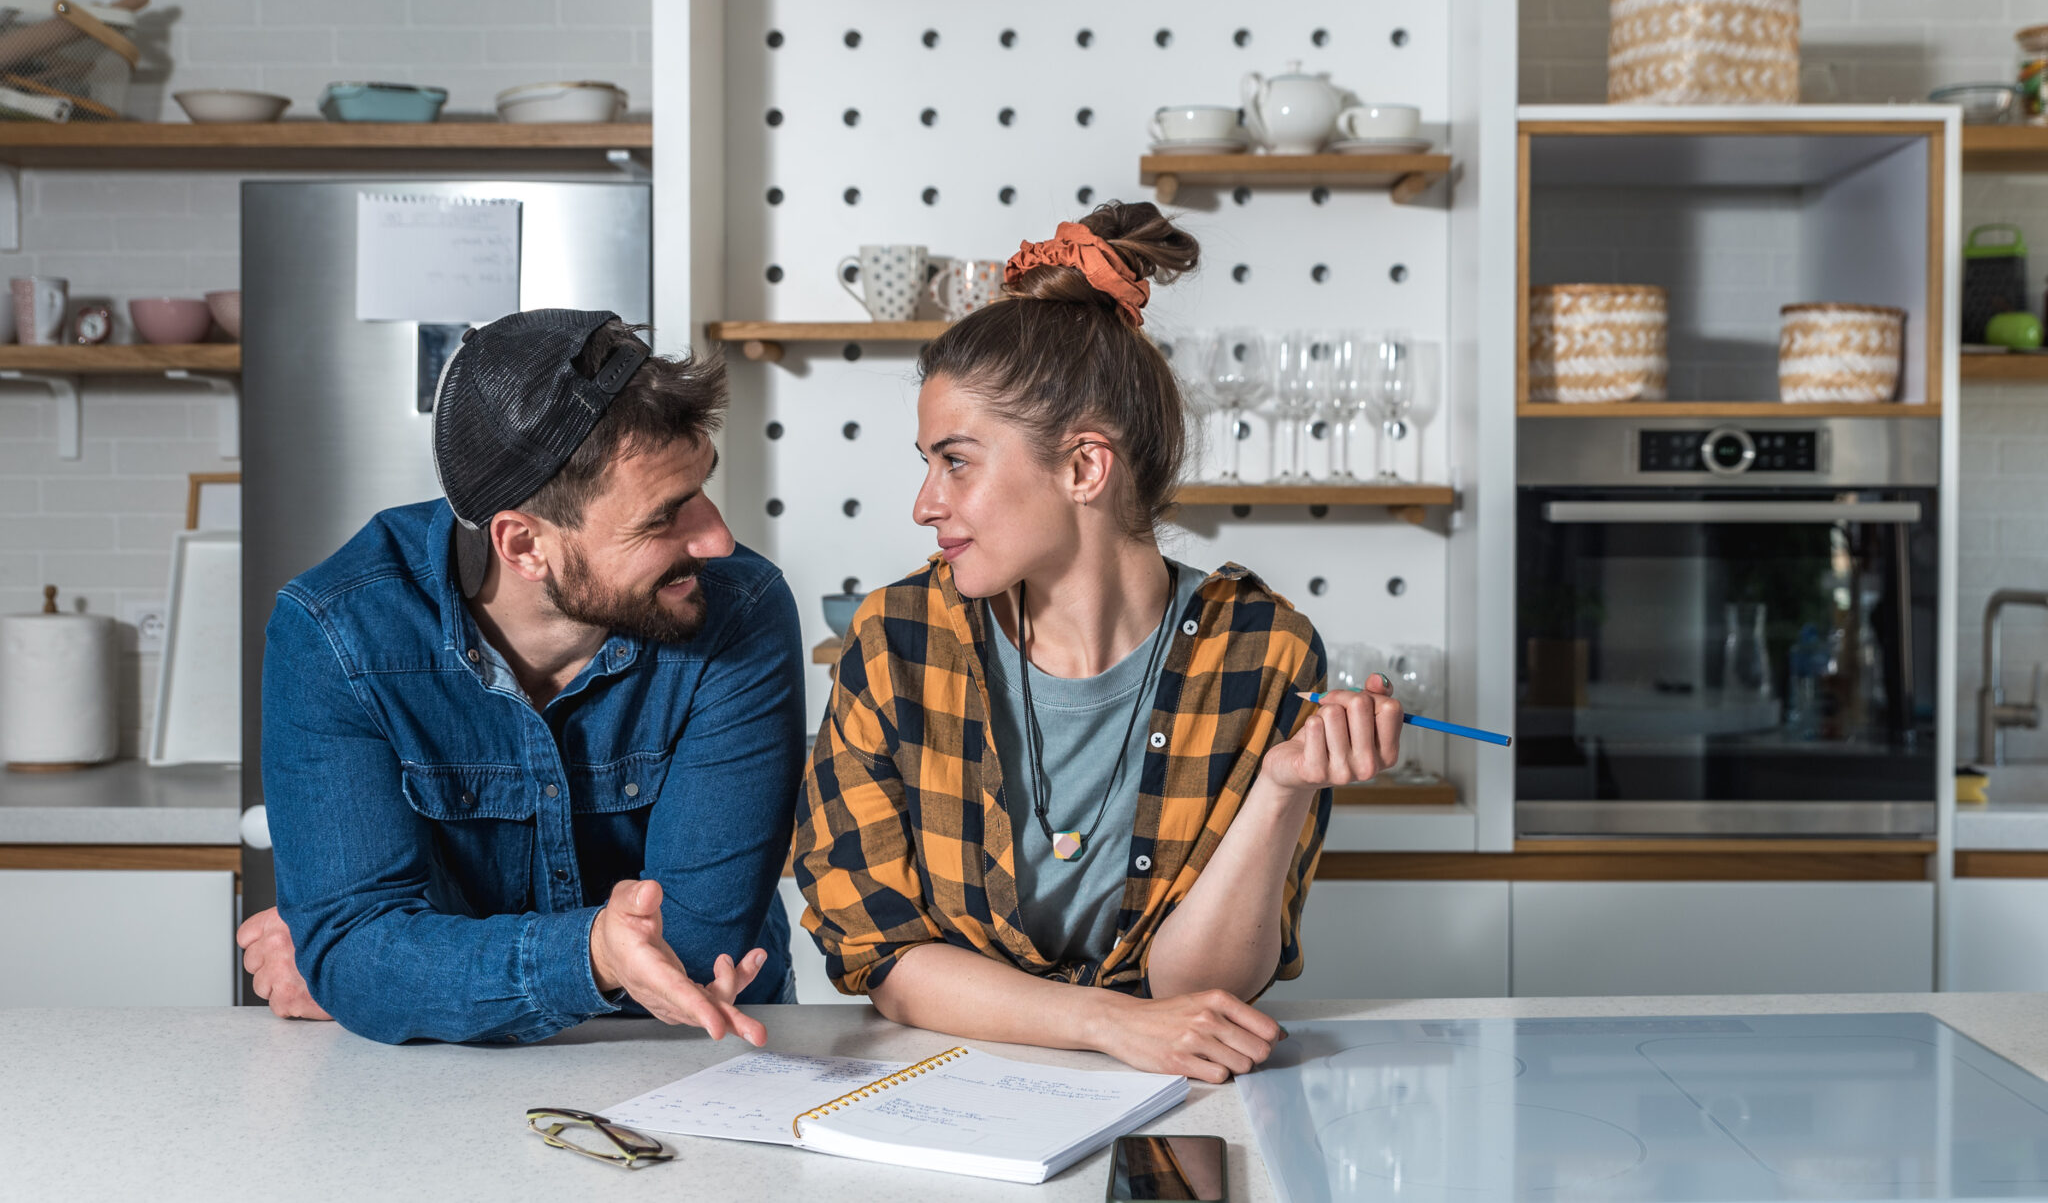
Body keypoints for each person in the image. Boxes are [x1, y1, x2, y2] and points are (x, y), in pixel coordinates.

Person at [793, 204, 1403, 1083]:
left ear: (1084, 466)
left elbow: (1201, 992)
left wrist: (1282, 788)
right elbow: (880, 955)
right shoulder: (896, 641)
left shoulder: (1263, 652)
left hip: (1172, 1095)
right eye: (927, 464)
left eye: (955, 461)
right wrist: (1108, 1022)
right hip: (944, 1094)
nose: (925, 504)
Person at [236, 309, 804, 1045]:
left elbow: (695, 948)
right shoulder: (336, 634)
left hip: (694, 1052)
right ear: (523, 543)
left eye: (701, 486)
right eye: (665, 518)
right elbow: (357, 954)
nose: (718, 538)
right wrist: (594, 951)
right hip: (444, 1092)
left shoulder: (743, 611)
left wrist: (406, 971)